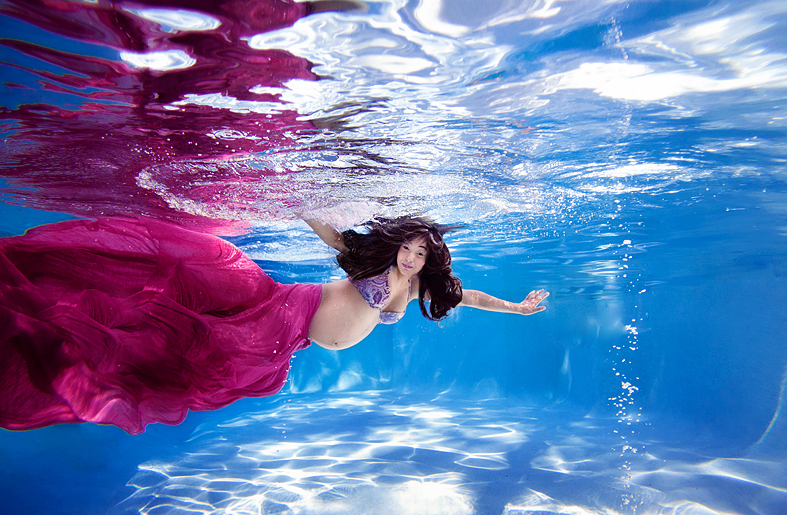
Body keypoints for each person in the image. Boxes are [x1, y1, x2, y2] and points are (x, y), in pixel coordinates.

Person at [0, 215, 547, 434]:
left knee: (189, 351)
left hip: (290, 342)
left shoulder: (423, 285)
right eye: (406, 249)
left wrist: (519, 310)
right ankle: (53, 326)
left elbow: (469, 296)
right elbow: (335, 239)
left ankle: (72, 353)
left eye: (418, 255)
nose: (409, 259)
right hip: (281, 311)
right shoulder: (376, 262)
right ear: (397, 246)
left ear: (428, 261)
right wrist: (302, 203)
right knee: (186, 331)